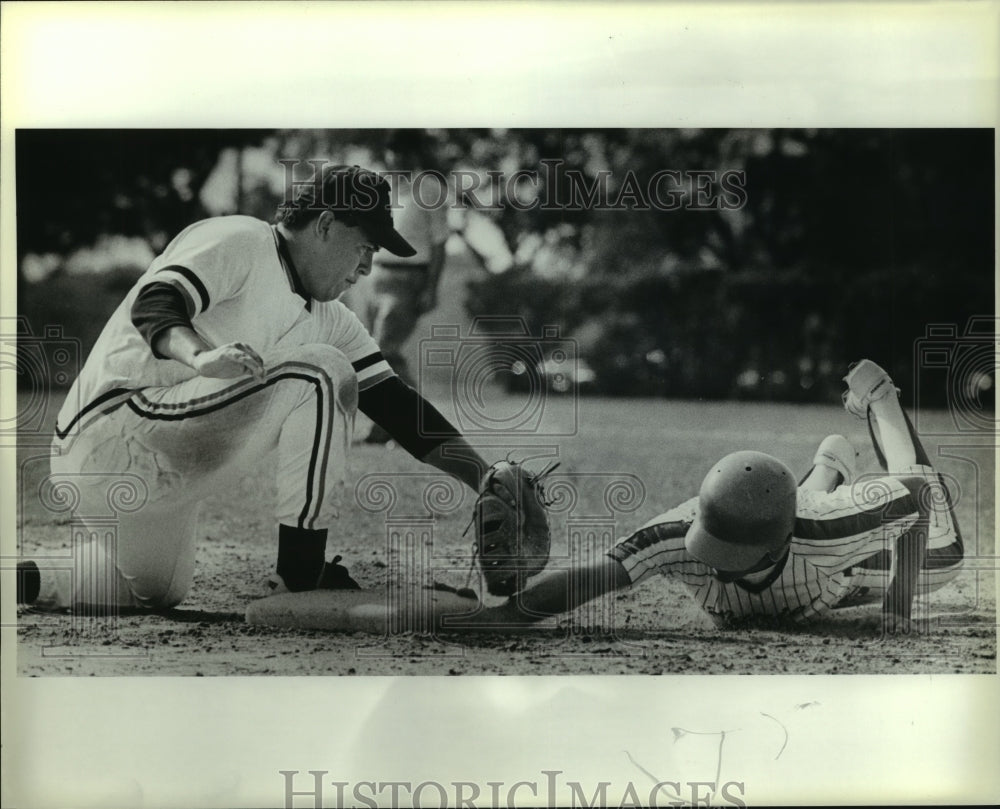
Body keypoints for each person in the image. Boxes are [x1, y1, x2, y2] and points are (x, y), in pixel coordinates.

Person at [16, 164, 488, 612]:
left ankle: (19, 580)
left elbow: (396, 406)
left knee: (155, 590)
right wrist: (200, 355)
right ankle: (301, 571)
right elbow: (155, 302)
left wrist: (487, 480)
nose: (368, 266)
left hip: (154, 474)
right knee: (320, 370)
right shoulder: (241, 239)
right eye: (364, 246)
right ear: (325, 225)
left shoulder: (331, 317)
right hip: (108, 430)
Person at [456, 360, 964, 633]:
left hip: (832, 569)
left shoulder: (828, 533)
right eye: (714, 543)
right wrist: (506, 615)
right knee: (792, 510)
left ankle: (882, 398)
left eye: (733, 555)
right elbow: (592, 579)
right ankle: (830, 464)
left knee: (947, 560)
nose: (717, 564)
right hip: (797, 526)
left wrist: (898, 603)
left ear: (779, 543)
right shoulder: (678, 535)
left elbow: (918, 497)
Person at [359, 130, 450, 444]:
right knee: (380, 353)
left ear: (414, 154)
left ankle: (419, 421)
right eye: (392, 151)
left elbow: (439, 244)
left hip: (408, 279)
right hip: (377, 277)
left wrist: (431, 288)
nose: (397, 157)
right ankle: (385, 426)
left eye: (403, 150)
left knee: (381, 351)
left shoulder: (429, 187)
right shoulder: (383, 188)